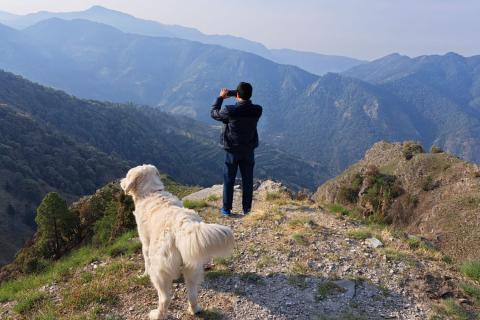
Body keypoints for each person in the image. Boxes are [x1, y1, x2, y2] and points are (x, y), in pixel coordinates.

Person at [211, 82, 263, 216]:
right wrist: (237, 94)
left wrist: (221, 97)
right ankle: (247, 209)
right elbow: (245, 102)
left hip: (232, 150)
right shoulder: (257, 110)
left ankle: (226, 209)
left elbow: (214, 113)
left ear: (238, 94)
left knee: (229, 179)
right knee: (248, 180)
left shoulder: (229, 110)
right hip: (248, 150)